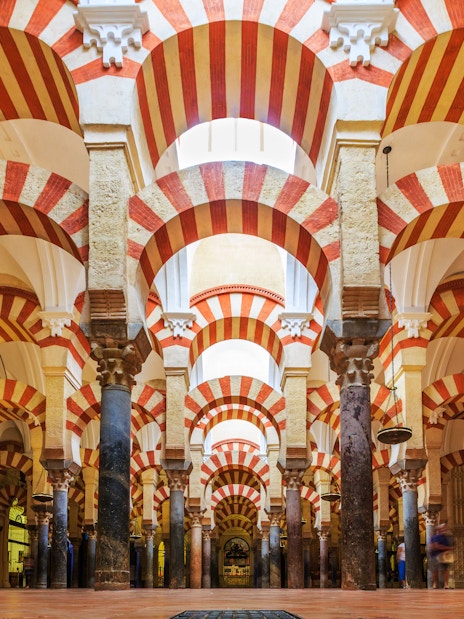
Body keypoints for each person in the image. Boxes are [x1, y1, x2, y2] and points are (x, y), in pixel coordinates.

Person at [429, 523, 454, 589]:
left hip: (445, 556)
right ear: (439, 529)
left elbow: (451, 545)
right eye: (443, 527)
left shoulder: (446, 537)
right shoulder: (435, 537)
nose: (445, 529)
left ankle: (446, 584)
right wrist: (448, 548)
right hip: (436, 555)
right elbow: (436, 546)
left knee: (445, 570)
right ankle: (435, 584)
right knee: (435, 570)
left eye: (445, 527)